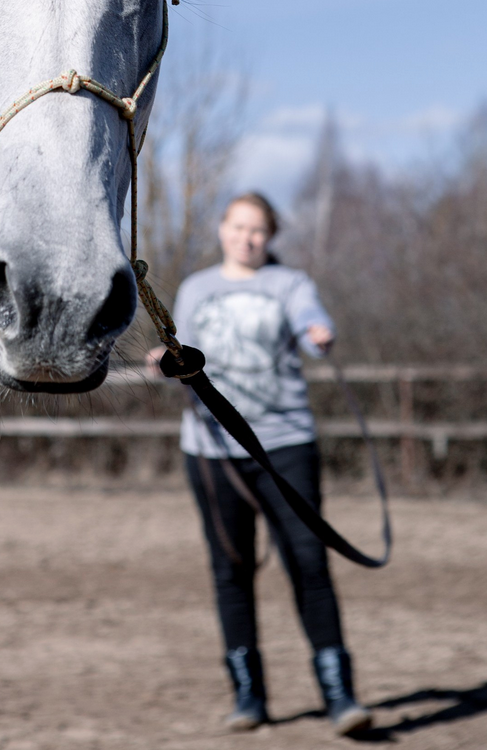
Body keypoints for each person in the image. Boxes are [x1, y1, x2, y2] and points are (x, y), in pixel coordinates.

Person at [147, 192, 371, 736]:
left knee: (309, 567)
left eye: (258, 230)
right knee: (231, 571)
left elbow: (310, 319)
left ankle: (339, 694)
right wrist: (162, 363)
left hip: (285, 446)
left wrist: (318, 334)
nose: (247, 238)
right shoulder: (198, 288)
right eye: (238, 227)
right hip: (212, 452)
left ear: (268, 238)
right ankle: (248, 695)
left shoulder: (289, 285)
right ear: (222, 228)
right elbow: (186, 350)